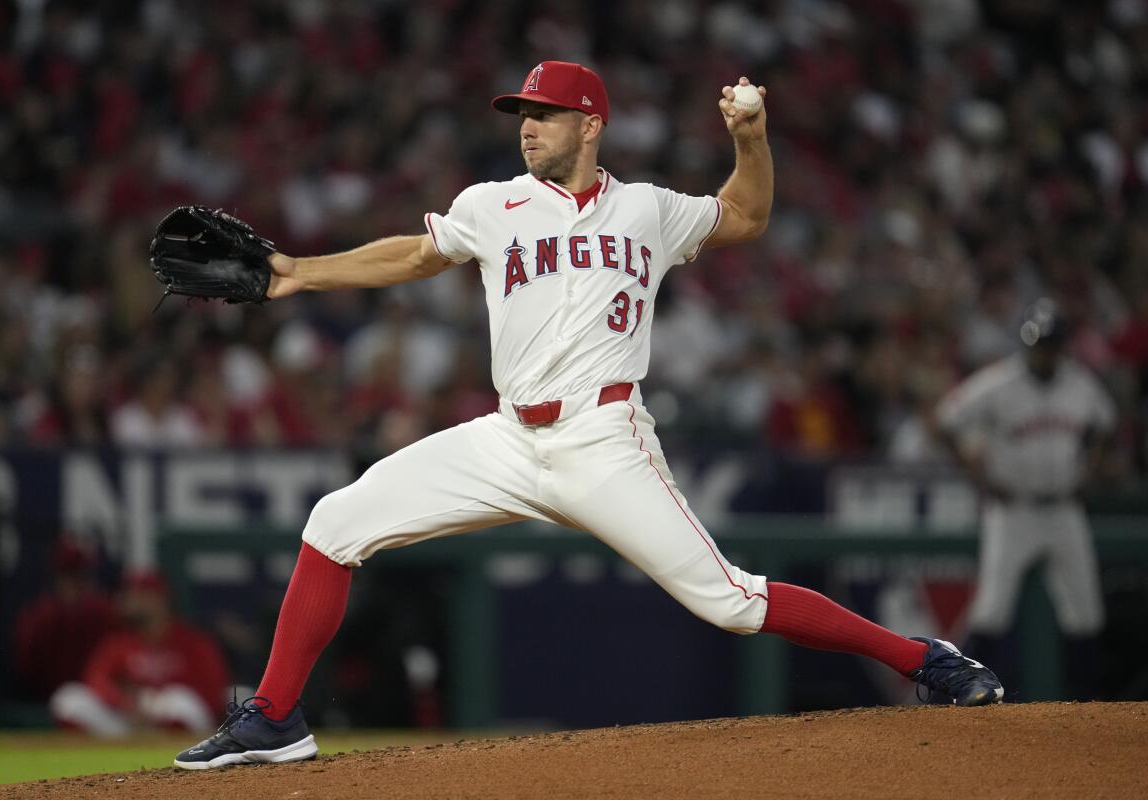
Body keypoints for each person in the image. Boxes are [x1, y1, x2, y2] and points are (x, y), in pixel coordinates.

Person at [175, 61, 1002, 769]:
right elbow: (415, 253)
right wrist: (293, 272)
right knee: (335, 520)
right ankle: (277, 718)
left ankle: (925, 658)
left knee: (732, 604)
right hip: (507, 435)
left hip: (605, 439)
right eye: (522, 114)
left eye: (544, 114)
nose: (528, 128)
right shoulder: (492, 203)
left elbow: (745, 215)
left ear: (590, 123)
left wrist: (749, 137)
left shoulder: (646, 209)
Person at [935, 299, 1116, 697]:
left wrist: (1091, 468)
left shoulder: (1079, 382)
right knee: (991, 611)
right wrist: (976, 474)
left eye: (1050, 345)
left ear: (1063, 346)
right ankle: (966, 693)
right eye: (1037, 345)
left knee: (1085, 614)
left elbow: (1105, 422)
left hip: (1065, 509)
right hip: (1012, 510)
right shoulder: (1000, 382)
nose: (1043, 353)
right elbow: (947, 419)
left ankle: (1090, 709)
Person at [51, 571, 230, 738]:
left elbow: (213, 692)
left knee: (179, 701)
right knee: (68, 699)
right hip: (126, 719)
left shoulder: (192, 642)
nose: (130, 601)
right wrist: (122, 701)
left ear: (160, 599)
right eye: (130, 595)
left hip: (166, 715)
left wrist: (155, 700)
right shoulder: (120, 642)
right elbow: (96, 679)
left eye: (139, 595)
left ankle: (174, 755)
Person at [14, 537, 118, 701]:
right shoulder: (40, 614)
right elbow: (26, 665)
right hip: (47, 699)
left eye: (78, 575)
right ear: (57, 576)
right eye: (68, 575)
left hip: (97, 700)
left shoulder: (103, 611)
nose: (73, 582)